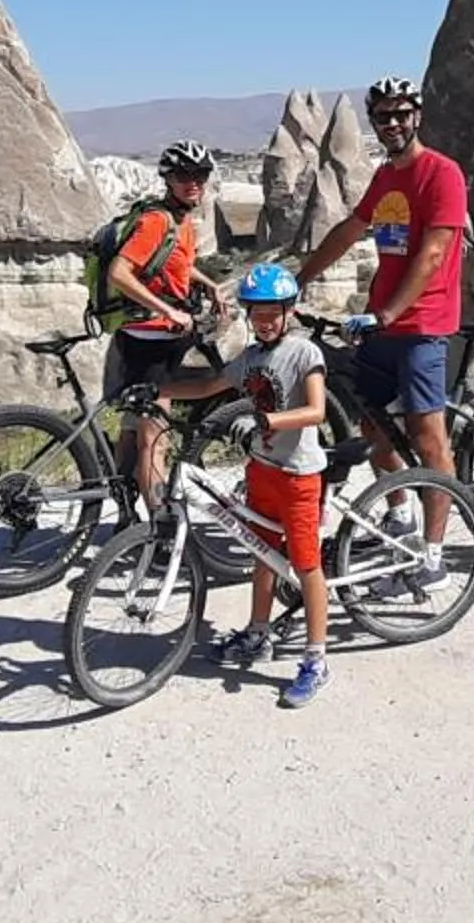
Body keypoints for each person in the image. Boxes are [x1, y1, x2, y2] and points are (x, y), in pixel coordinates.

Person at [297, 75, 463, 595]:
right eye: (383, 116)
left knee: (428, 438)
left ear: (417, 115)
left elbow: (433, 254)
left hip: (422, 324)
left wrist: (388, 313)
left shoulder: (441, 173)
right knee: (369, 425)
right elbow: (351, 229)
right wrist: (298, 278)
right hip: (383, 321)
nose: (392, 123)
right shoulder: (387, 177)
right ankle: (399, 514)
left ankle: (433, 559)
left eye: (400, 114)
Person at [155, 262, 333, 708]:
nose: (265, 320)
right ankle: (257, 633)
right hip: (263, 470)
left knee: (307, 566)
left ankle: (316, 658)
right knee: (262, 554)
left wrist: (264, 418)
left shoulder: (304, 354)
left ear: (289, 310)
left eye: (273, 311)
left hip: (298, 476)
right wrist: (160, 390)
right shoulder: (251, 358)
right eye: (257, 313)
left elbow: (316, 411)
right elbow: (213, 384)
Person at [102, 140, 226, 518]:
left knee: (133, 429)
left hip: (160, 339)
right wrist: (165, 311)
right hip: (150, 341)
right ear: (169, 179)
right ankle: (159, 528)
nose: (194, 183)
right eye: (184, 176)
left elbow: (173, 263)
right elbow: (120, 273)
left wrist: (207, 282)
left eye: (200, 176)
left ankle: (125, 515)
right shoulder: (156, 220)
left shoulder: (181, 220)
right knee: (153, 440)